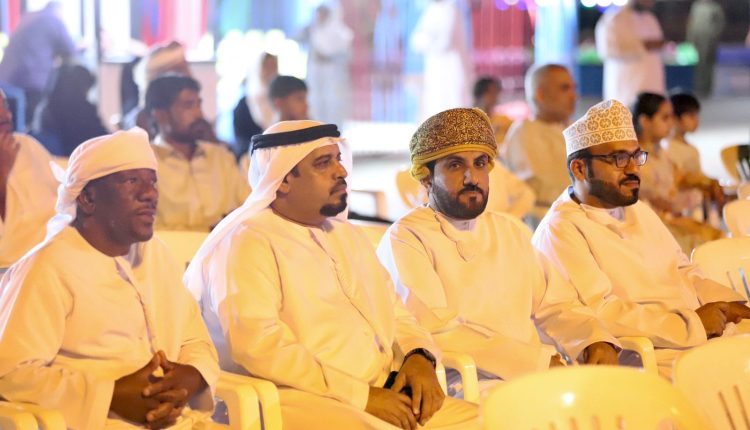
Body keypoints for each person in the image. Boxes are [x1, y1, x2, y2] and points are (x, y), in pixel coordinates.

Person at [186, 120, 479, 429]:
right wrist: (362, 396)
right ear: (282, 180)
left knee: (486, 421)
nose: (341, 171)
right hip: (296, 400)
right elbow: (260, 347)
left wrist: (418, 355)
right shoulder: (247, 242)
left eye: (338, 159)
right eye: (323, 163)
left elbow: (395, 312)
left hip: (382, 392)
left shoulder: (347, 235)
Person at [377, 108, 619, 396]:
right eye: (455, 165)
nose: (472, 177)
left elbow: (556, 303)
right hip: (463, 384)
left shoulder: (509, 229)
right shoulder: (407, 237)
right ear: (427, 178)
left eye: (480, 163)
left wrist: (593, 338)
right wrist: (535, 363)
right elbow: (437, 330)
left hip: (534, 376)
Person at [0, 128, 219, 429]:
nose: (150, 194)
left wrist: (191, 376)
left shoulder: (157, 255)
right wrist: (111, 396)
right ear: (88, 198)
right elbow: (11, 373)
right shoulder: (48, 266)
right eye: (131, 181)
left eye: (152, 181)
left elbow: (194, 339)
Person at [531, 99, 750, 378]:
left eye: (636, 156)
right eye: (619, 159)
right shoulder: (562, 229)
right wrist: (692, 324)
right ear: (579, 169)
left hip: (699, 335)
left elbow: (683, 270)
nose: (633, 169)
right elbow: (602, 312)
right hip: (649, 354)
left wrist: (726, 305)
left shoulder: (637, 209)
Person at [146, 75, 249, 231]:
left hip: (226, 245)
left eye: (199, 105)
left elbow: (248, 209)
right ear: (160, 115)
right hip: (173, 247)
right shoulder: (146, 162)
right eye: (188, 106)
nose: (199, 114)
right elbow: (149, 230)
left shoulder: (221, 157)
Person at [631, 92, 722, 253]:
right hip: (654, 229)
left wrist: (710, 184)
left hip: (672, 221)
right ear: (645, 121)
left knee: (718, 239)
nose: (671, 123)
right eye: (665, 118)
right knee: (711, 246)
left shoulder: (661, 152)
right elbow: (661, 202)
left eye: (672, 117)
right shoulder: (636, 160)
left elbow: (681, 177)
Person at [503, 64, 576, 224]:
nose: (573, 95)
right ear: (541, 95)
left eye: (573, 88)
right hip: (545, 220)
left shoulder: (575, 129)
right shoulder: (524, 131)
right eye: (564, 88)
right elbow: (542, 187)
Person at [0, 89, 58, 268]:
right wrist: (3, 171)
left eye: (6, 106)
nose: (7, 116)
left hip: (54, 258)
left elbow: (64, 199)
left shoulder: (26, 145)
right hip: (10, 272)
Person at [0, 1, 78, 126]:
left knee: (11, 120)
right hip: (31, 79)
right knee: (26, 122)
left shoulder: (29, 17)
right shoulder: (54, 19)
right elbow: (70, 49)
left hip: (7, 77)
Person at [662, 92, 724, 214]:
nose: (696, 120)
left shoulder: (691, 149)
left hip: (695, 205)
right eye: (691, 116)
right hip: (679, 208)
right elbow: (678, 180)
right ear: (675, 118)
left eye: (696, 115)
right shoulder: (668, 148)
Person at [595, 0, 665, 106]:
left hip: (653, 84)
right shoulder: (614, 18)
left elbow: (659, 43)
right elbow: (607, 49)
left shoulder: (650, 18)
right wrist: (642, 45)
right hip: (627, 87)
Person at [411, 0, 473, 120]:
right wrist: (426, 41)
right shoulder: (430, 11)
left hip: (450, 67)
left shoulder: (451, 10)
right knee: (435, 104)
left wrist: (427, 41)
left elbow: (444, 43)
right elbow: (415, 40)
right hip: (434, 68)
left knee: (453, 105)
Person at [32, 63, 108, 156]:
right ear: (82, 86)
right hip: (77, 160)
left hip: (51, 160)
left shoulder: (44, 109)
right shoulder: (84, 111)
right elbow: (104, 139)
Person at [304, 4, 353, 127]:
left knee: (334, 102)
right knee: (315, 101)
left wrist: (328, 57)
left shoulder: (339, 31)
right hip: (316, 71)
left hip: (333, 73)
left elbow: (346, 53)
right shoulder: (313, 30)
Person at [233, 52, 279, 158]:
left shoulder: (281, 100)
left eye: (274, 66)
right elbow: (241, 140)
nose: (271, 71)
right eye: (267, 66)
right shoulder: (244, 105)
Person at [687, 0, 725, 97]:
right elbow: (691, 22)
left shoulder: (715, 7)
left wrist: (713, 36)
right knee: (697, 64)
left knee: (707, 64)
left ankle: (707, 88)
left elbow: (720, 24)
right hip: (696, 40)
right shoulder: (696, 6)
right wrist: (690, 38)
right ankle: (698, 87)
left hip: (709, 40)